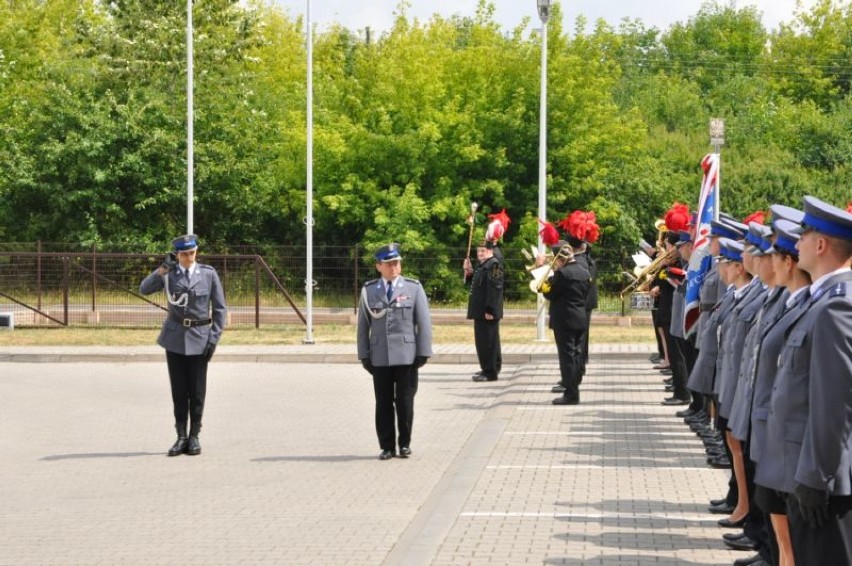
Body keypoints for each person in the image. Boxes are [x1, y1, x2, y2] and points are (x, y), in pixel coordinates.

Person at [761, 196, 852, 564]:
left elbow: (834, 401)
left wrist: (816, 477)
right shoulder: (822, 301)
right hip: (804, 470)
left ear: (820, 244)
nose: (795, 245)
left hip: (822, 481)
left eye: (804, 236)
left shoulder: (837, 304)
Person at [139, 234, 227, 457]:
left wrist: (213, 338)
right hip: (175, 338)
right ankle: (180, 437)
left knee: (197, 391)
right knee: (179, 391)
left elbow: (219, 309)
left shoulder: (208, 274)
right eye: (185, 254)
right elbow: (144, 289)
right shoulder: (169, 274)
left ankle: (195, 436)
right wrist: (161, 269)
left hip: (200, 337)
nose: (190, 257)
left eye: (193, 252)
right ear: (177, 254)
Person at [357, 243, 433, 461]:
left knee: (405, 401)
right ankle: (387, 446)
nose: (394, 267)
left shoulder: (413, 288)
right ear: (378, 266)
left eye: (396, 263)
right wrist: (364, 354)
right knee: (383, 403)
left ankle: (405, 443)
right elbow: (363, 326)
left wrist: (423, 352)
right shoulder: (369, 290)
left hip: (407, 356)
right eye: (389, 264)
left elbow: (424, 322)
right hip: (379, 356)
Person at [540, 241, 591, 405]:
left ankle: (571, 394)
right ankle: (574, 390)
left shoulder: (562, 274)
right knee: (576, 356)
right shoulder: (584, 272)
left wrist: (547, 284)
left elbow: (551, 294)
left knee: (566, 357)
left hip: (564, 319)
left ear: (558, 258)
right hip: (580, 317)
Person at [464, 240, 504, 382]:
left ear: (490, 251)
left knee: (487, 343)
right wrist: (469, 272)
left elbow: (495, 289)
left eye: (483, 251)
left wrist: (489, 310)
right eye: (479, 251)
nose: (480, 253)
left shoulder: (494, 265)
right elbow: (478, 285)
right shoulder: (483, 265)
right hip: (481, 311)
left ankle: (490, 372)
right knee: (487, 341)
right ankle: (490, 367)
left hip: (486, 312)